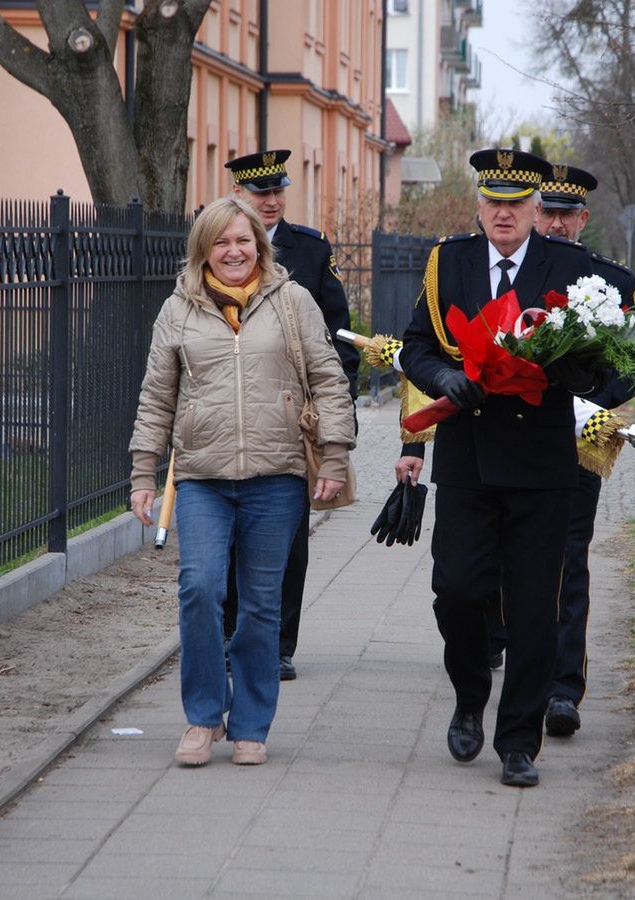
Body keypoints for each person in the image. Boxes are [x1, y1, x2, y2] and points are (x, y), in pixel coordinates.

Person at [399, 148, 602, 788]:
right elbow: (416, 348)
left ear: (536, 209)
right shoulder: (448, 261)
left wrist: (569, 367)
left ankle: (519, 739)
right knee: (456, 590)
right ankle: (469, 696)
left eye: (518, 204)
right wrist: (445, 378)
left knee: (536, 608)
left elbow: (598, 362)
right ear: (479, 205)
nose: (505, 213)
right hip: (468, 460)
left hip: (542, 463)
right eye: (494, 202)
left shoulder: (569, 267)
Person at [128, 197, 355, 767]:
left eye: (244, 241)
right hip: (203, 477)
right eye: (222, 242)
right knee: (200, 589)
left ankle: (251, 722)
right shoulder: (177, 309)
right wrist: (142, 472)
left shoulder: (293, 302)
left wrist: (332, 457)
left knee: (259, 605)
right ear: (204, 249)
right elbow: (157, 397)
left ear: (260, 245)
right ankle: (204, 717)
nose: (234, 252)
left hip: (275, 477)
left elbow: (329, 380)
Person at [221, 149, 361, 682]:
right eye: (262, 193)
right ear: (239, 195)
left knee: (288, 535)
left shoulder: (310, 248)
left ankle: (279, 643)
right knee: (227, 534)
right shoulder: (214, 243)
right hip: (230, 415)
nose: (273, 201)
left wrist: (332, 408)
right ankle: (229, 635)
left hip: (291, 418)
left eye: (279, 190)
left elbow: (339, 333)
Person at [535, 163, 635, 739]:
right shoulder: (513, 270)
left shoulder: (616, 282)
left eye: (565, 214)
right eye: (546, 212)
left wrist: (597, 403)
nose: (555, 224)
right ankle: (511, 652)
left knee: (569, 555)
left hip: (583, 436)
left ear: (584, 218)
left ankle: (561, 689)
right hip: (516, 435)